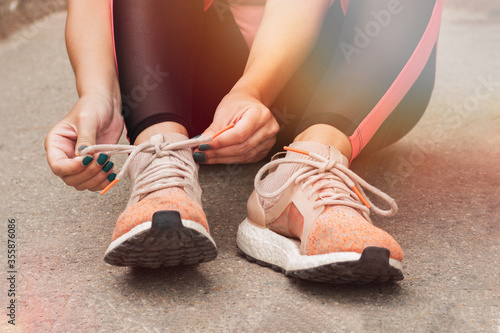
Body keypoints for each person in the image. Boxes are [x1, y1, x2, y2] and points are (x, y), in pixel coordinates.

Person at [45, 0, 442, 284]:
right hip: (189, 85)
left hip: (343, 80)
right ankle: (161, 156)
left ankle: (311, 162)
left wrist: (253, 89)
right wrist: (99, 95)